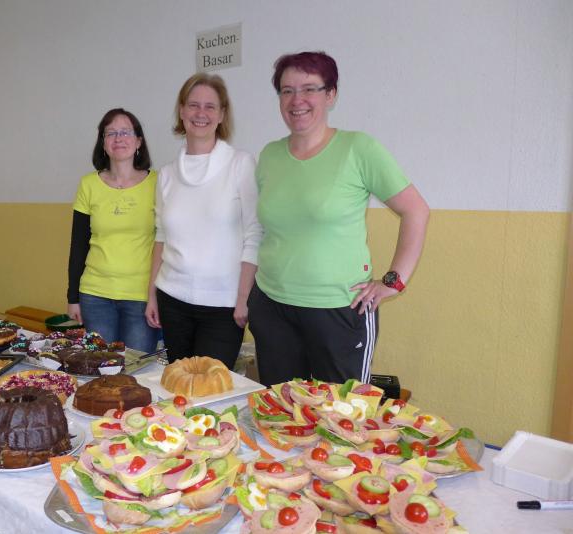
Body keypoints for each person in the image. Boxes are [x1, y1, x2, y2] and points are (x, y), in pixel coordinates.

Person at [249, 51, 430, 386]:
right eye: (287, 91)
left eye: (309, 89)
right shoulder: (270, 155)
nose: (297, 100)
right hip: (272, 306)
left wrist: (393, 281)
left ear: (330, 94)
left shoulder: (358, 148)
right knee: (280, 410)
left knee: (342, 412)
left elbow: (415, 210)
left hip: (338, 310)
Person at [145, 73, 263, 370]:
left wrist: (243, 298)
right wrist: (151, 295)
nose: (201, 113)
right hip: (172, 300)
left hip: (223, 307)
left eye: (210, 106)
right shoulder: (167, 174)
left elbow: (254, 234)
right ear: (181, 111)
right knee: (179, 386)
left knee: (211, 390)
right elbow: (161, 237)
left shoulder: (241, 164)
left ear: (222, 114)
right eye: (193, 105)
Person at [66, 108, 159, 353]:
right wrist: (72, 297)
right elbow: (78, 244)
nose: (119, 138)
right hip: (95, 295)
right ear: (103, 143)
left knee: (137, 368)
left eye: (126, 132)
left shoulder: (158, 183)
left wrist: (157, 295)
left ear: (138, 141)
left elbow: (166, 243)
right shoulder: (88, 184)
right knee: (99, 368)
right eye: (111, 133)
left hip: (141, 296)